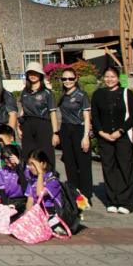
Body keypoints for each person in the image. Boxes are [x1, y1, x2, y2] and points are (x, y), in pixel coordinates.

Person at [91, 67, 133, 214]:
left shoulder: (126, 93)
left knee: (125, 168)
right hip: (104, 137)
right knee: (108, 168)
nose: (109, 79)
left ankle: (125, 202)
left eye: (112, 76)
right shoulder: (98, 94)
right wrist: (101, 132)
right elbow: (95, 116)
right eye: (107, 76)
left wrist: (120, 131)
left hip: (123, 137)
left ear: (118, 78)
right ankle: (111, 200)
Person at [57, 68, 94, 200]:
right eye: (64, 79)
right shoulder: (62, 95)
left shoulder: (81, 95)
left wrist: (86, 136)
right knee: (70, 164)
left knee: (83, 165)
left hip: (79, 129)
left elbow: (87, 117)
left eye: (70, 78)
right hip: (66, 130)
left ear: (76, 79)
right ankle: (73, 194)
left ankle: (86, 195)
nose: (67, 81)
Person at [17, 62, 58, 171]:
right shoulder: (24, 92)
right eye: (30, 73)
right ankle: (29, 179)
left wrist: (55, 133)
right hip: (27, 125)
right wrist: (18, 126)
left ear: (40, 75)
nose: (33, 75)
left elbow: (53, 113)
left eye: (36, 73)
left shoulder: (47, 93)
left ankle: (49, 178)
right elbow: (22, 111)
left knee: (46, 155)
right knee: (27, 154)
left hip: (43, 125)